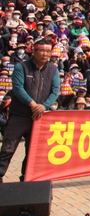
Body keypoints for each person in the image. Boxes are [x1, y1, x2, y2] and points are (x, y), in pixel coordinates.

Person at [0, 41, 60, 182]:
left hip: (39, 117)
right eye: (41, 51)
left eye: (48, 51)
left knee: (33, 151)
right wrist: (32, 104)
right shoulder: (22, 67)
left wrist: (44, 106)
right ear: (33, 51)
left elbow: (55, 90)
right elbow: (18, 88)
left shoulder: (53, 69)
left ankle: (26, 179)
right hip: (19, 116)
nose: (45, 54)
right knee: (7, 149)